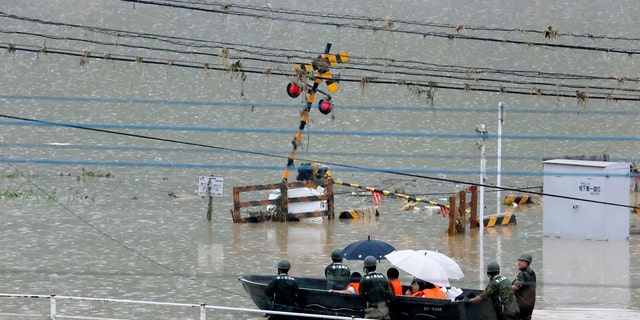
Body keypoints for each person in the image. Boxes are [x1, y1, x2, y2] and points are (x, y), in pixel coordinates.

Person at [359, 256, 395, 320]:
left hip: (371, 312)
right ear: (375, 266)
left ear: (366, 268)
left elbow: (361, 295)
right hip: (384, 311)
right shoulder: (383, 277)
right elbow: (391, 295)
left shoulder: (364, 279)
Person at [511, 253, 537, 320]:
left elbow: (516, 287)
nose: (519, 263)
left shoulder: (522, 274)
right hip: (530, 305)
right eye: (519, 261)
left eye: (521, 261)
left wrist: (504, 289)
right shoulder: (532, 273)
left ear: (527, 263)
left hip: (521, 305)